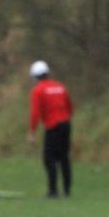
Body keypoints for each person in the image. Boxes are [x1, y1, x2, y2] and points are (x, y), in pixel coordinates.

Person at [27, 59, 74, 198]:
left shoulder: (38, 90)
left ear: (35, 77)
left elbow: (35, 113)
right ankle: (67, 190)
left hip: (53, 126)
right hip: (66, 124)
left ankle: (53, 191)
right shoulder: (60, 86)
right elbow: (70, 106)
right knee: (64, 157)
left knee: (49, 158)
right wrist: (66, 118)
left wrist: (32, 131)